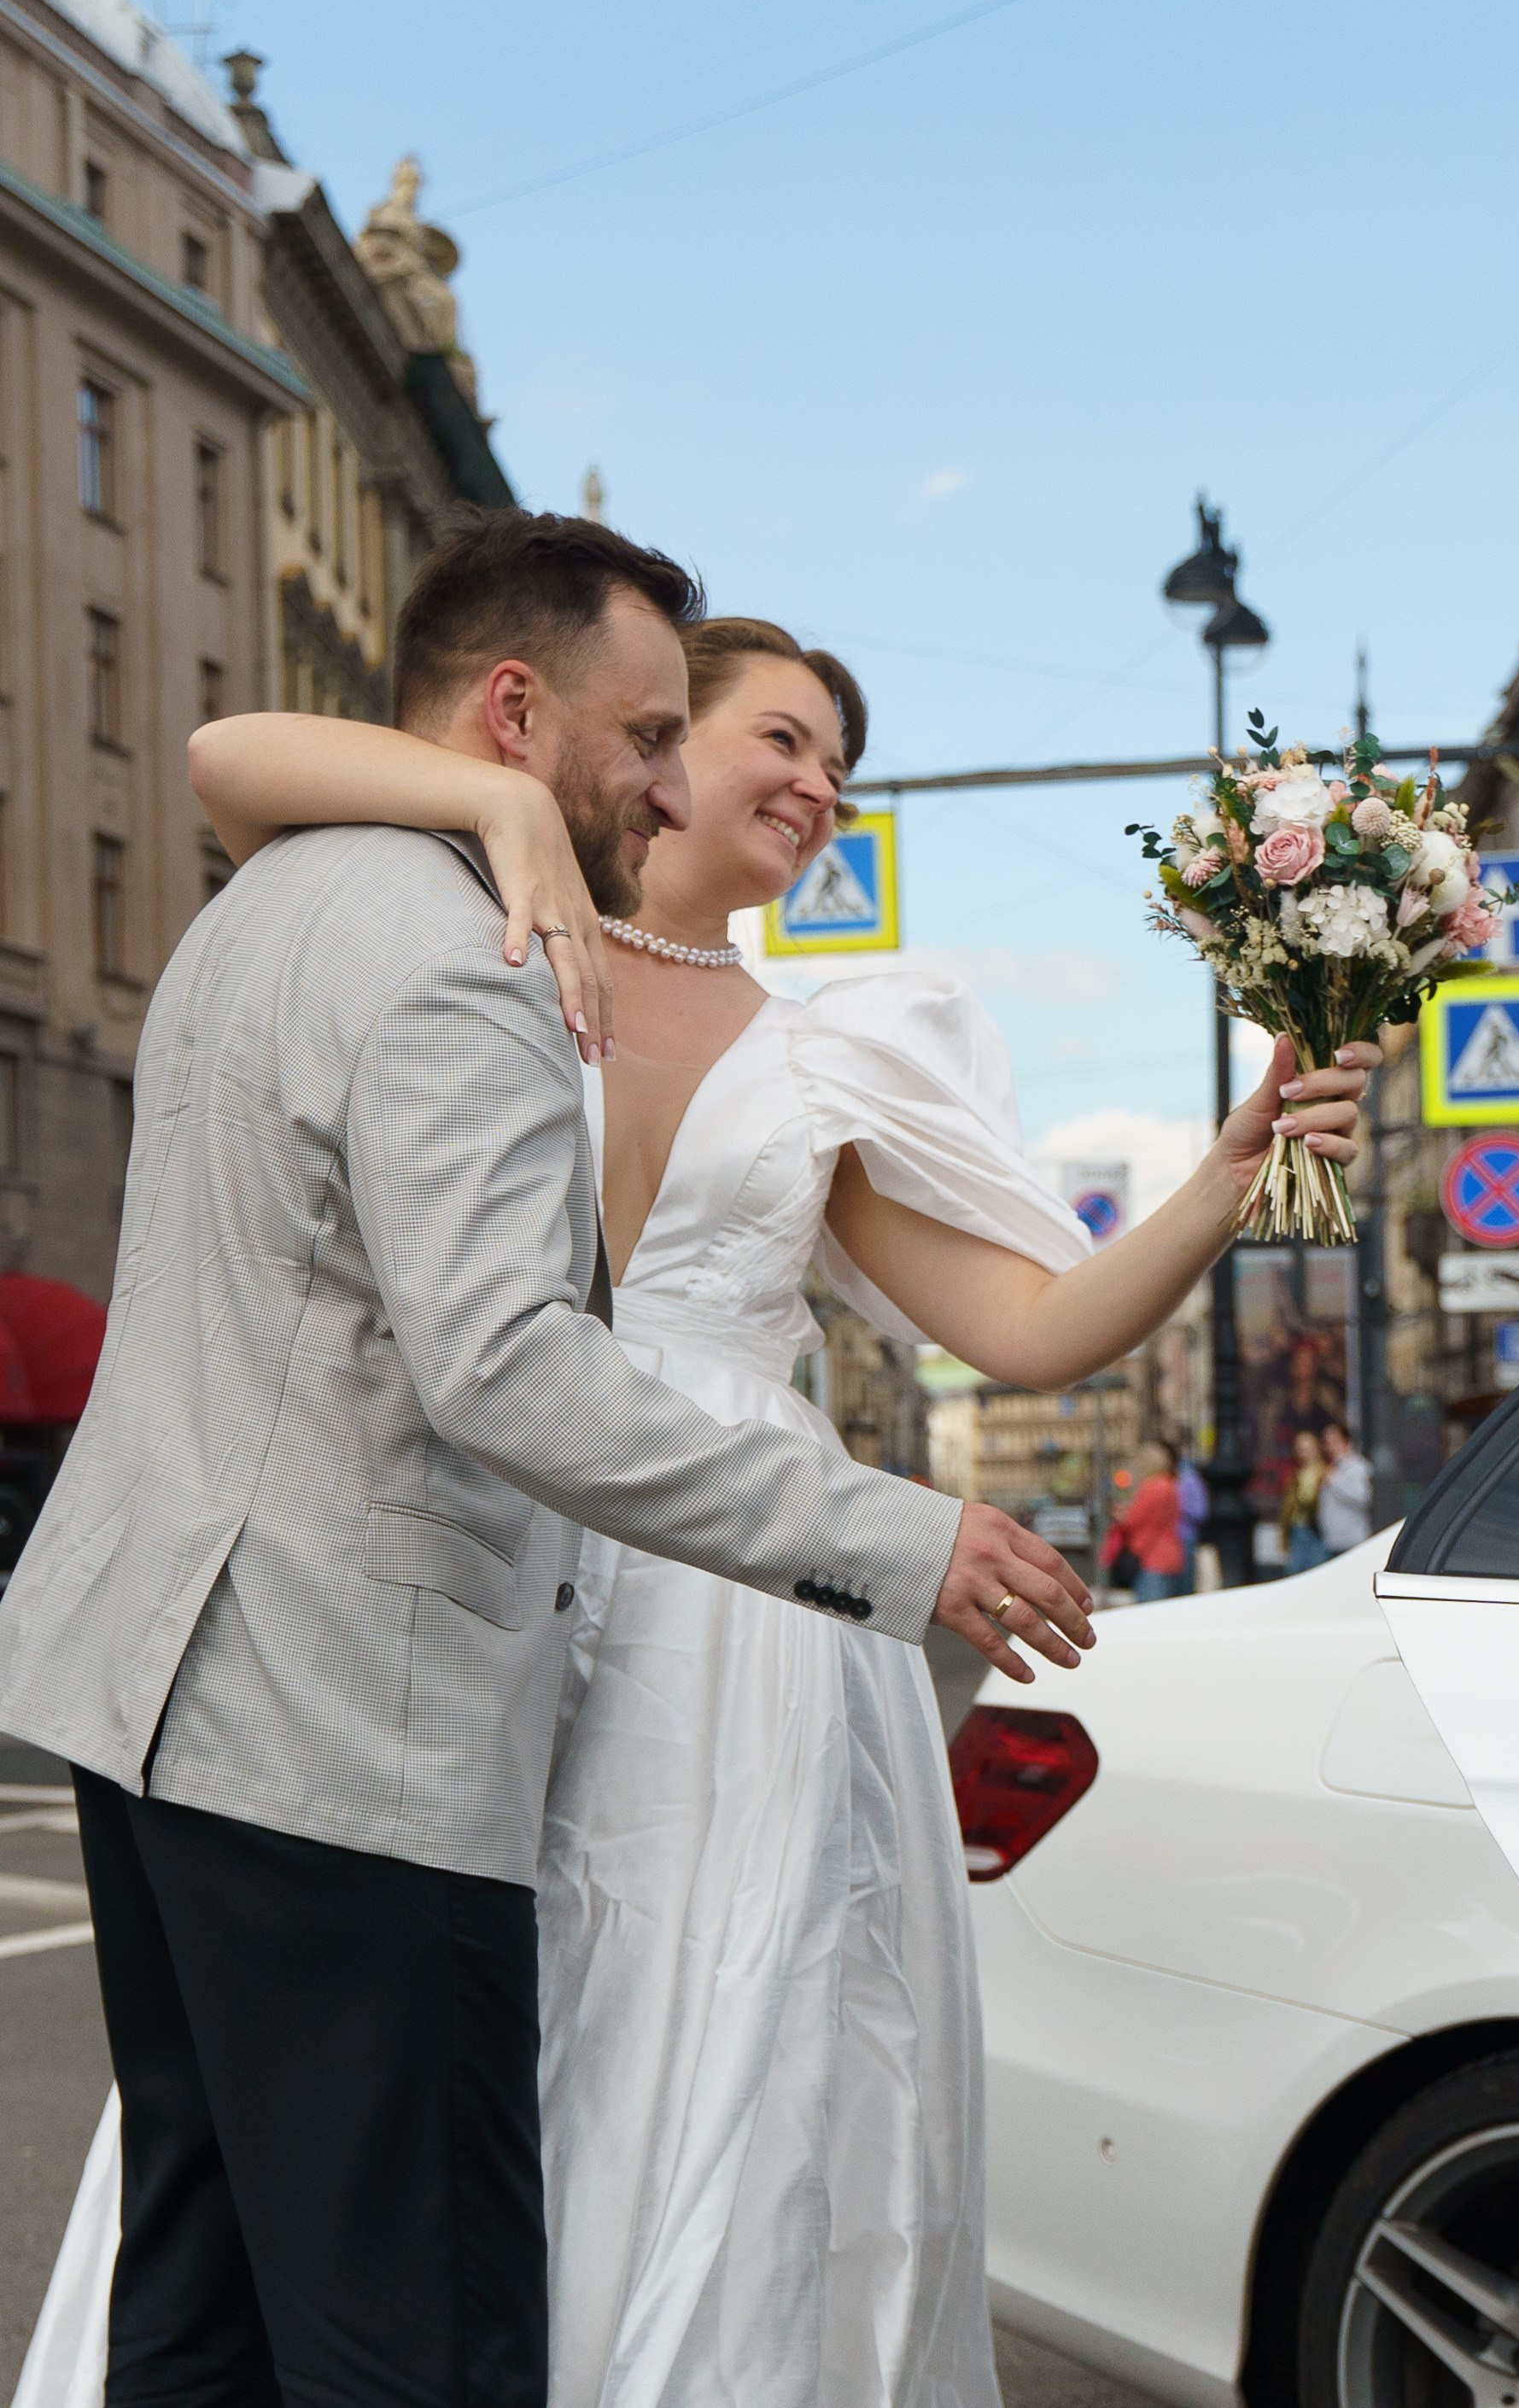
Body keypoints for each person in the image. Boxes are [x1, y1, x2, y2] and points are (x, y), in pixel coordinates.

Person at [15, 558, 1378, 2407]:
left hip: (664, 1638)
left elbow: (1035, 1327)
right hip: (420, 1624)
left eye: (841, 761)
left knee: (583, 2118)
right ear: (559, 726)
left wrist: (1223, 1176)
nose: (802, 783)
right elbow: (502, 1357)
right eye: (737, 733)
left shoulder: (793, 1036)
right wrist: (497, 805)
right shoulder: (467, 925)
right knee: (393, 2253)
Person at [1119, 1440, 1186, 1603]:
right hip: (1173, 1555)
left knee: (1148, 1614)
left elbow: (1133, 1520)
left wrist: (1120, 1514)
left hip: (1152, 1558)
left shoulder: (1151, 1487)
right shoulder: (1170, 1485)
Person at [1317, 1420, 1376, 1555]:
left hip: (1351, 1541)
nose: (1330, 1448)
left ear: (1347, 1442)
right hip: (1331, 1541)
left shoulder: (1358, 1467)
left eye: (1335, 1443)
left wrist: (1334, 1481)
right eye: (1327, 1443)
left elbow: (1362, 1498)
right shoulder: (1330, 1468)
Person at [1281, 1428, 1329, 1572]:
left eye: (1307, 1448)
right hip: (1297, 1529)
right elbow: (1288, 1508)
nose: (1303, 1452)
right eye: (1300, 1448)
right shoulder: (1296, 1475)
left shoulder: (1325, 1472)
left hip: (1316, 1531)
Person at [1173, 1446, 1209, 1595]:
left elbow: (1200, 1511)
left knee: (1186, 1583)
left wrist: (1179, 1509)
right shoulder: (1184, 1479)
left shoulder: (1189, 1480)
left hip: (1186, 1536)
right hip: (1178, 1538)